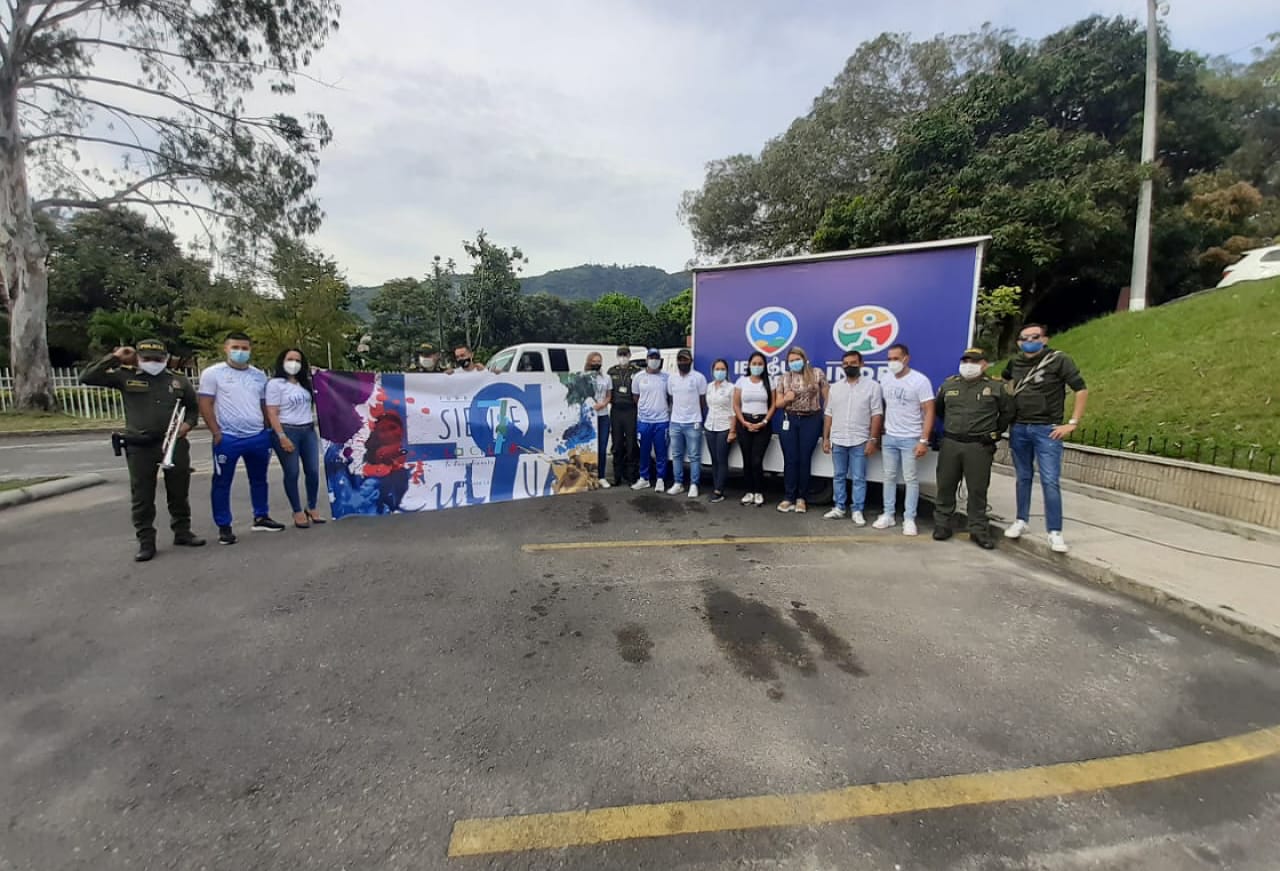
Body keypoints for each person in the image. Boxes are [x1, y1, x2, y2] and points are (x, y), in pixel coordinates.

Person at [80, 339, 205, 561]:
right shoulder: (125, 376)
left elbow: (192, 410)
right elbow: (87, 377)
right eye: (147, 359)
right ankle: (146, 541)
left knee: (179, 490)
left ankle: (182, 532)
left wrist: (186, 426)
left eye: (158, 359)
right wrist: (116, 357)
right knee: (142, 495)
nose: (153, 363)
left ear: (165, 359)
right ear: (138, 358)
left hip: (173, 443)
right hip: (140, 444)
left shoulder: (178, 381)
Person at [1001, 323, 1089, 553]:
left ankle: (1055, 532)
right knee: (1023, 477)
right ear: (1019, 342)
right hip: (1019, 427)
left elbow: (1081, 389)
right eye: (1025, 337)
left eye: (1035, 336)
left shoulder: (1059, 360)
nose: (1030, 340)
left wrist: (1072, 423)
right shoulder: (1015, 362)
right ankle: (1021, 520)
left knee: (1050, 480)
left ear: (1045, 339)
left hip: (1047, 429)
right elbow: (1006, 381)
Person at [198, 332, 284, 544]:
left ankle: (261, 516)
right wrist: (216, 431)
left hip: (257, 436)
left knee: (259, 479)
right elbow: (205, 404)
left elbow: (265, 405)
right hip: (228, 437)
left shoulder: (258, 376)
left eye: (245, 348)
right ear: (226, 348)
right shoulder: (213, 374)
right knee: (222, 482)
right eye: (236, 347)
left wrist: (266, 430)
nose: (240, 352)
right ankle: (224, 525)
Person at [934, 348, 1014, 549]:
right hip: (951, 443)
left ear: (984, 364)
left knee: (977, 489)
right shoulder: (948, 384)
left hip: (979, 446)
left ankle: (978, 530)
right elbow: (940, 410)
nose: (969, 365)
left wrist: (994, 434)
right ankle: (942, 525)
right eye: (966, 360)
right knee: (945, 485)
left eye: (974, 361)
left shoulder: (996, 387)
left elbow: (1007, 413)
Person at [874, 342, 935, 536]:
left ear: (906, 359)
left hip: (911, 437)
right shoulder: (885, 380)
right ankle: (888, 514)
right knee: (889, 477)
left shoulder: (920, 381)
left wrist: (923, 440)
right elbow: (881, 408)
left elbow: (929, 410)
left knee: (910, 479)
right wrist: (879, 435)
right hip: (890, 437)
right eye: (889, 359)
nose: (892, 362)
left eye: (896, 359)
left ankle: (909, 519)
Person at [267, 348, 326, 529]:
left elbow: (326, 385)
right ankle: (297, 510)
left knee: (313, 471)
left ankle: (312, 507)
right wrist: (282, 436)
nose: (294, 363)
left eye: (298, 360)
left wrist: (320, 373)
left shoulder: (305, 384)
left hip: (308, 430)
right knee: (292, 472)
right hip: (287, 430)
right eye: (290, 359)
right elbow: (272, 412)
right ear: (282, 361)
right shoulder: (275, 384)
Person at [822, 351, 883, 525]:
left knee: (858, 477)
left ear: (861, 364)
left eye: (853, 362)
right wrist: (826, 438)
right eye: (846, 363)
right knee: (839, 475)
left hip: (860, 439)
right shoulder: (835, 387)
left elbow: (877, 414)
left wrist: (873, 439)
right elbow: (829, 414)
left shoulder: (873, 387)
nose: (849, 366)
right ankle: (839, 507)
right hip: (838, 438)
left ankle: (857, 510)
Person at [774, 346, 829, 514]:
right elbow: (777, 404)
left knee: (805, 459)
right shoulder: (783, 378)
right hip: (789, 419)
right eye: (791, 361)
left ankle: (801, 498)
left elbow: (828, 399)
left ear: (804, 359)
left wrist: (827, 421)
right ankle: (789, 496)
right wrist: (786, 399)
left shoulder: (817, 374)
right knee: (790, 459)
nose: (794, 363)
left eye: (797, 359)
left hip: (811, 420)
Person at [733, 351, 775, 507]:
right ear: (749, 365)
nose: (757, 367)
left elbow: (773, 405)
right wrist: (744, 422)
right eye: (754, 364)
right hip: (745, 423)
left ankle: (759, 492)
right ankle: (749, 491)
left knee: (757, 460)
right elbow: (736, 404)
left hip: (763, 424)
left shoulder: (770, 381)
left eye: (760, 364)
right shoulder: (741, 381)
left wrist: (764, 421)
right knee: (747, 459)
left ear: (764, 366)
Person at [666, 348, 707, 498]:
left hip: (693, 422)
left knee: (694, 456)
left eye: (686, 360)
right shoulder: (672, 378)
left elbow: (703, 401)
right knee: (676, 455)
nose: (683, 362)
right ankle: (678, 483)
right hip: (675, 422)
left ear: (691, 361)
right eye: (680, 360)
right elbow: (671, 398)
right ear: (677, 361)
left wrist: (694, 415)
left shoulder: (699, 378)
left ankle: (694, 485)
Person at [631, 348, 670, 492]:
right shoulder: (638, 377)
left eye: (656, 357)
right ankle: (644, 478)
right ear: (647, 359)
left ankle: (660, 479)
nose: (654, 360)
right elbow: (636, 397)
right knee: (644, 451)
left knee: (661, 451)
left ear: (660, 360)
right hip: (644, 421)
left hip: (661, 421)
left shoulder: (666, 377)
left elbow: (670, 397)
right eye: (651, 357)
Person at [704, 358, 735, 503]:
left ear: (726, 371)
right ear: (713, 371)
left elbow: (734, 410)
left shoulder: (731, 388)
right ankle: (715, 485)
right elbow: (708, 405)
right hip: (710, 426)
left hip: (725, 427)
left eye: (722, 369)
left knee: (722, 459)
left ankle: (719, 490)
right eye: (717, 369)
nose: (719, 372)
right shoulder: (709, 386)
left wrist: (732, 431)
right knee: (714, 459)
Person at [607, 345, 639, 487]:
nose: (623, 357)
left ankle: (631, 476)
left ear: (630, 355)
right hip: (616, 411)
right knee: (617, 444)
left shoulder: (636, 371)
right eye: (620, 354)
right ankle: (617, 476)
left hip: (631, 410)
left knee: (631, 444)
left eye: (625, 354)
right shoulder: (611, 371)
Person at [584, 351, 612, 488]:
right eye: (594, 361)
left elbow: (609, 395)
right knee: (588, 448)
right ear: (589, 362)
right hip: (589, 417)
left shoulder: (606, 378)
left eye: (599, 361)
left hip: (603, 416)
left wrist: (603, 404)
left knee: (602, 448)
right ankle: (588, 477)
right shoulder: (583, 377)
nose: (596, 363)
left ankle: (601, 476)